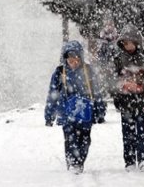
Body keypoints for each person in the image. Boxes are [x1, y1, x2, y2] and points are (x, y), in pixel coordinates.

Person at [44, 40, 106, 174]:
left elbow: (97, 92)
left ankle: (80, 161)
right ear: (65, 59)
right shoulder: (60, 73)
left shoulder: (88, 71)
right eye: (70, 59)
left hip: (86, 114)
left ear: (81, 58)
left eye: (76, 58)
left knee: (85, 139)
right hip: (67, 114)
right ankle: (72, 162)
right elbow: (52, 94)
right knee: (70, 139)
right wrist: (49, 115)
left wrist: (100, 111)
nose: (73, 62)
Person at [111, 24, 144, 172]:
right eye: (125, 43)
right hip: (126, 102)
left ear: (136, 42)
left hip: (142, 102)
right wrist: (121, 90)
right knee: (127, 133)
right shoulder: (118, 59)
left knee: (142, 132)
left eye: (130, 42)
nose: (128, 46)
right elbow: (112, 80)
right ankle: (129, 161)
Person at [96, 19, 119, 99]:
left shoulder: (116, 36)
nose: (109, 27)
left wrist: (114, 63)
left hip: (113, 64)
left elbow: (117, 53)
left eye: (110, 24)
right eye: (107, 24)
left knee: (113, 78)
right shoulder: (102, 37)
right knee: (104, 77)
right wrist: (102, 64)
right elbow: (100, 54)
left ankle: (113, 93)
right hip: (104, 63)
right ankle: (105, 92)